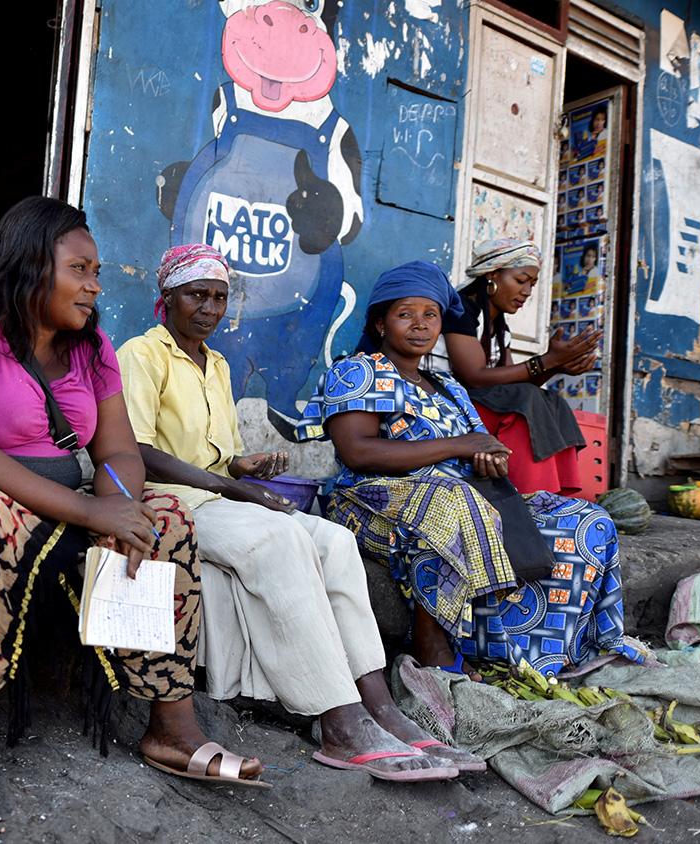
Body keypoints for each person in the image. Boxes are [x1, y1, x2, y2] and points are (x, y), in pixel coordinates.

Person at [0, 198, 266, 844]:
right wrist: (89, 509)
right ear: (28, 264)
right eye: (80, 269)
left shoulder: (92, 346)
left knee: (165, 515)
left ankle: (172, 725)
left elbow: (119, 452)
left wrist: (118, 504)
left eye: (97, 271)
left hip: (50, 504)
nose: (96, 284)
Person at [116, 244, 478, 781]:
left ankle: (379, 707)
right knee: (278, 539)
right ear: (166, 298)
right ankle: (337, 720)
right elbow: (137, 451)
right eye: (197, 295)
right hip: (171, 503)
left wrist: (245, 467)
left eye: (219, 297)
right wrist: (231, 486)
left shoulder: (215, 363)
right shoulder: (141, 356)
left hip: (216, 495)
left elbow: (215, 457)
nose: (210, 308)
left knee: (335, 541)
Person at [298, 261, 643, 677]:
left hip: (466, 498)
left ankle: (547, 652)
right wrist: (460, 446)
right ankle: (434, 644)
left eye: (431, 315)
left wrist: (489, 458)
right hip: (371, 500)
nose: (420, 325)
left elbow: (489, 446)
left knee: (586, 519)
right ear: (380, 323)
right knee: (451, 501)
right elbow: (357, 451)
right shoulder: (359, 371)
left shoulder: (450, 387)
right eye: (405, 314)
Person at [431, 238, 600, 495]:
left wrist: (556, 367)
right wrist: (547, 361)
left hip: (470, 404)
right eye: (521, 280)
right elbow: (474, 377)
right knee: (525, 401)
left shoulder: (499, 325)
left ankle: (558, 495)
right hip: (440, 403)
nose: (527, 291)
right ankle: (528, 493)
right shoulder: (461, 308)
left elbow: (509, 385)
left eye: (532, 284)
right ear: (492, 274)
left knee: (551, 401)